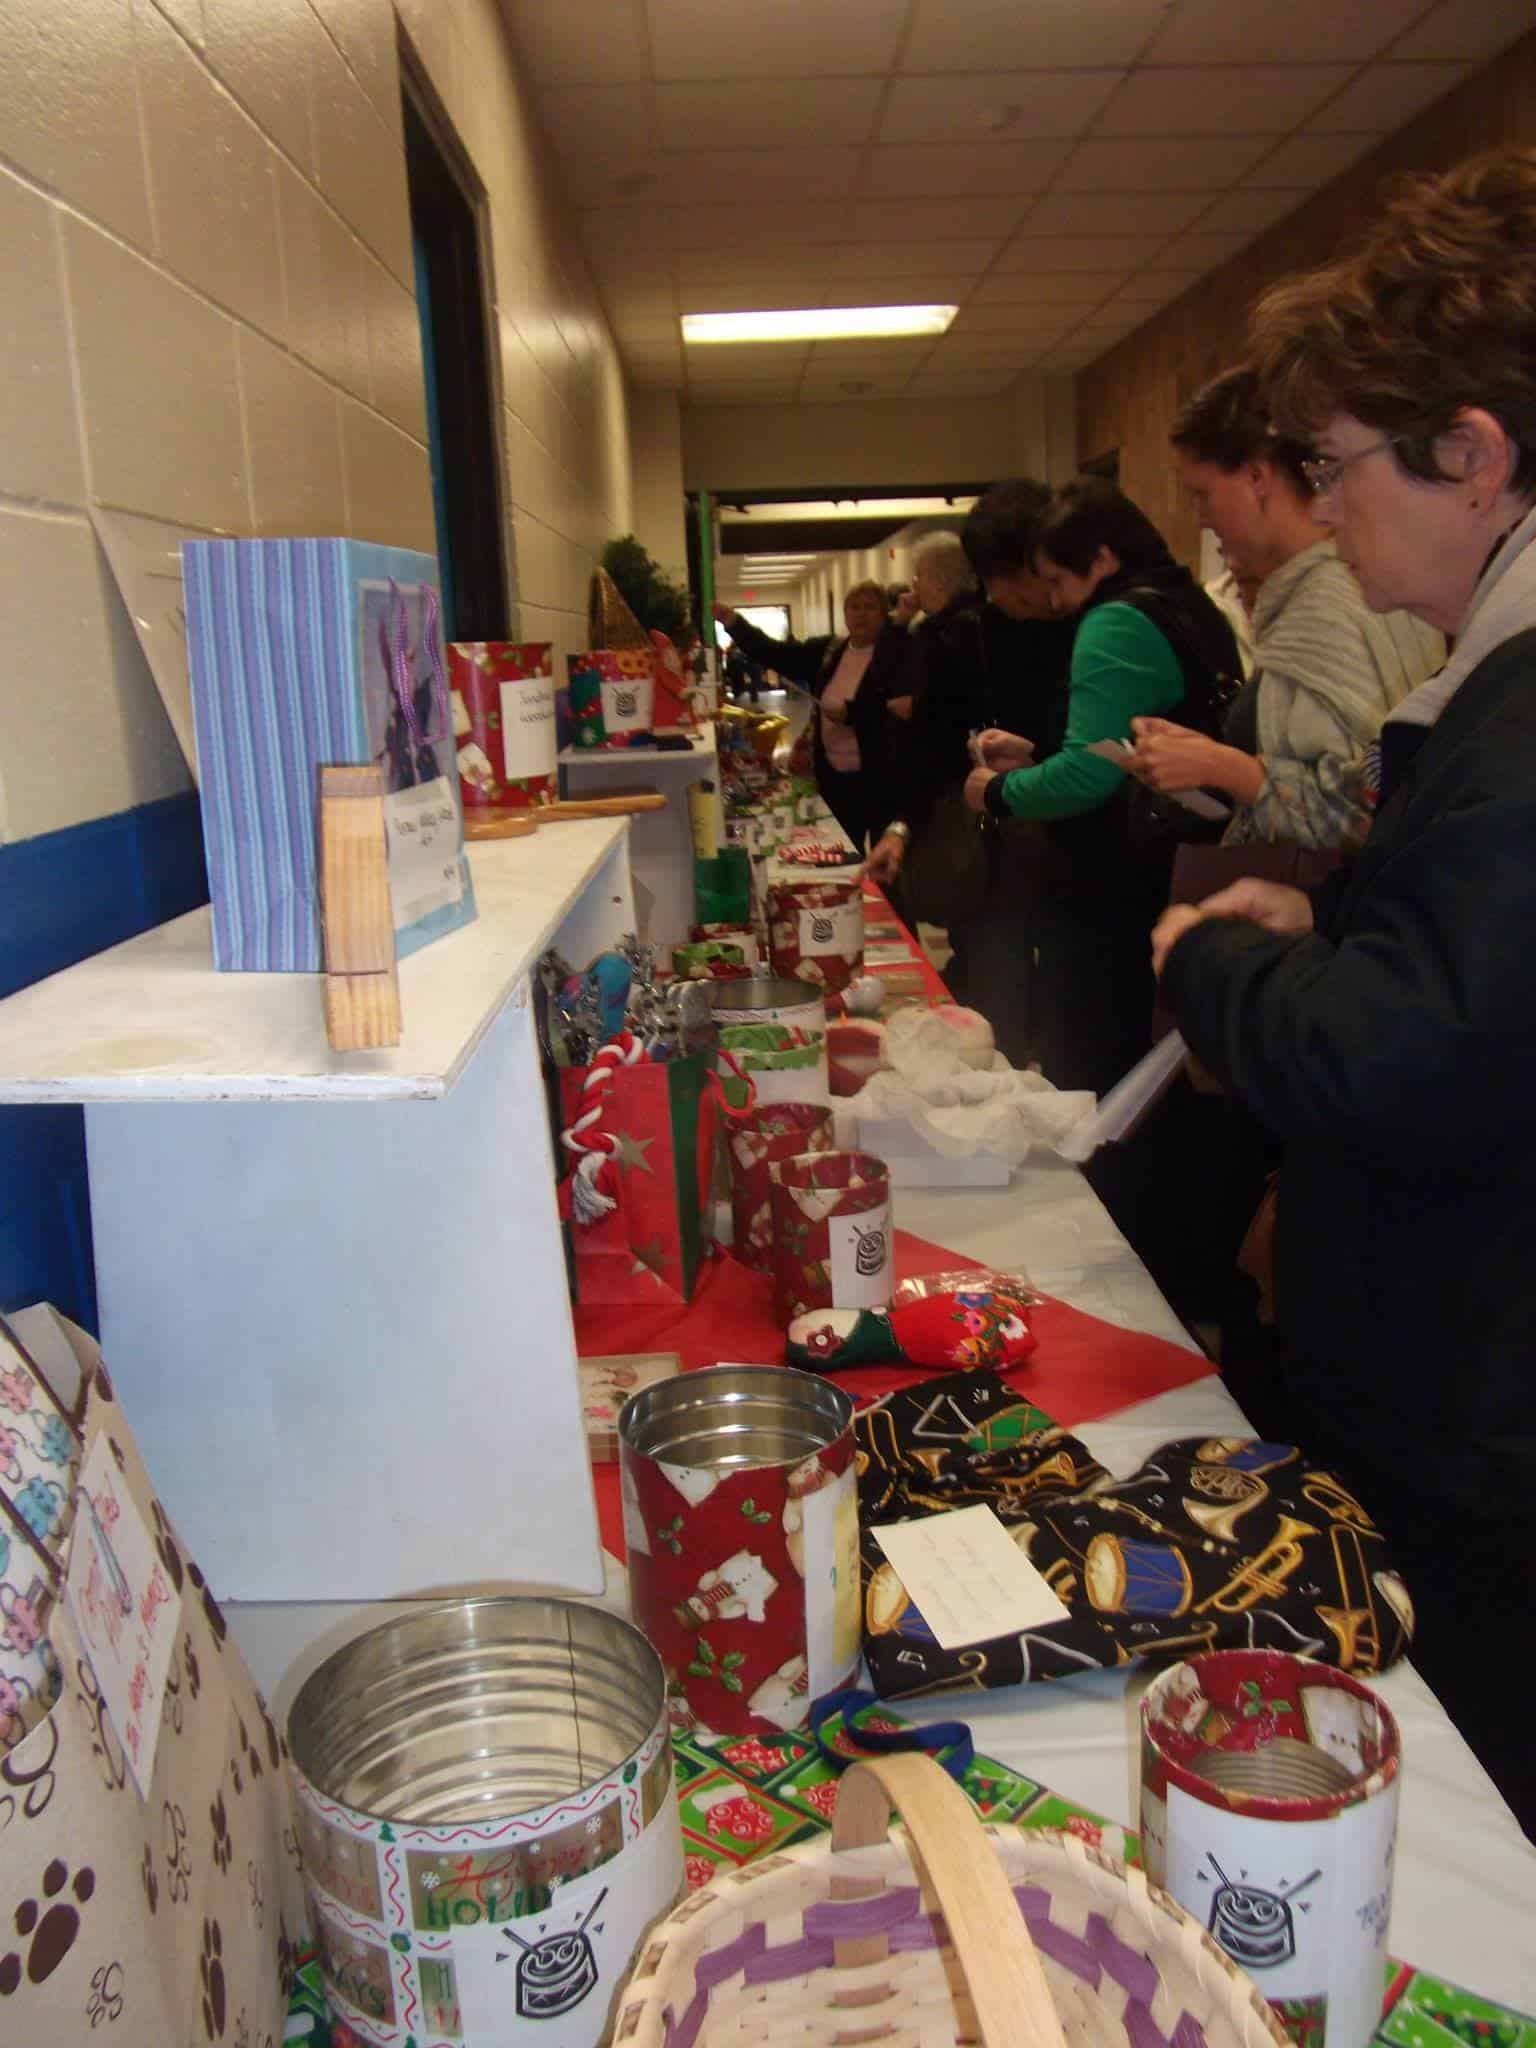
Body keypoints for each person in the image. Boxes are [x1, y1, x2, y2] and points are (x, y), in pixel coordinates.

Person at [1153, 148, 1536, 1835]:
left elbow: (1407, 1049)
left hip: (1489, 1434)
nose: (1324, 504)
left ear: (1472, 455)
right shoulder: (1484, 681)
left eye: (1337, 464)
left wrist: (1220, 961)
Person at [962, 478, 1240, 1094]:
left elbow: (1089, 776)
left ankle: (1102, 1191)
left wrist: (995, 793)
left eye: (1059, 580)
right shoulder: (1182, 600)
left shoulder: (1115, 620)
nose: (1057, 602)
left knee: (1096, 1067)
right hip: (1182, 864)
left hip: (1119, 884)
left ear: (1103, 560)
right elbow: (1119, 747)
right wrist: (1038, 757)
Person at [1127, 365, 1443, 847]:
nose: (1202, 518)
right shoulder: (1334, 584)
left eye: (1202, 494)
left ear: (1256, 476)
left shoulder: (1330, 600)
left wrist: (1224, 767)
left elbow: (1361, 810)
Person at [866, 491, 1074, 1063]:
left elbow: (928, 748)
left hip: (1004, 831)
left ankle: (998, 1079)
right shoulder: (1067, 625)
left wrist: (902, 826)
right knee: (1037, 965)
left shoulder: (954, 637)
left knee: (998, 959)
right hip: (1057, 832)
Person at [712, 582, 911, 852]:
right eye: (854, 607)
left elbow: (893, 710)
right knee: (840, 851)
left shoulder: (896, 656)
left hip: (880, 779)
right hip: (833, 778)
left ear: (884, 613)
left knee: (882, 860)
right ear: (844, 612)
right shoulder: (829, 650)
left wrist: (850, 713)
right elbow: (776, 653)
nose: (860, 614)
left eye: (870, 607)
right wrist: (734, 623)